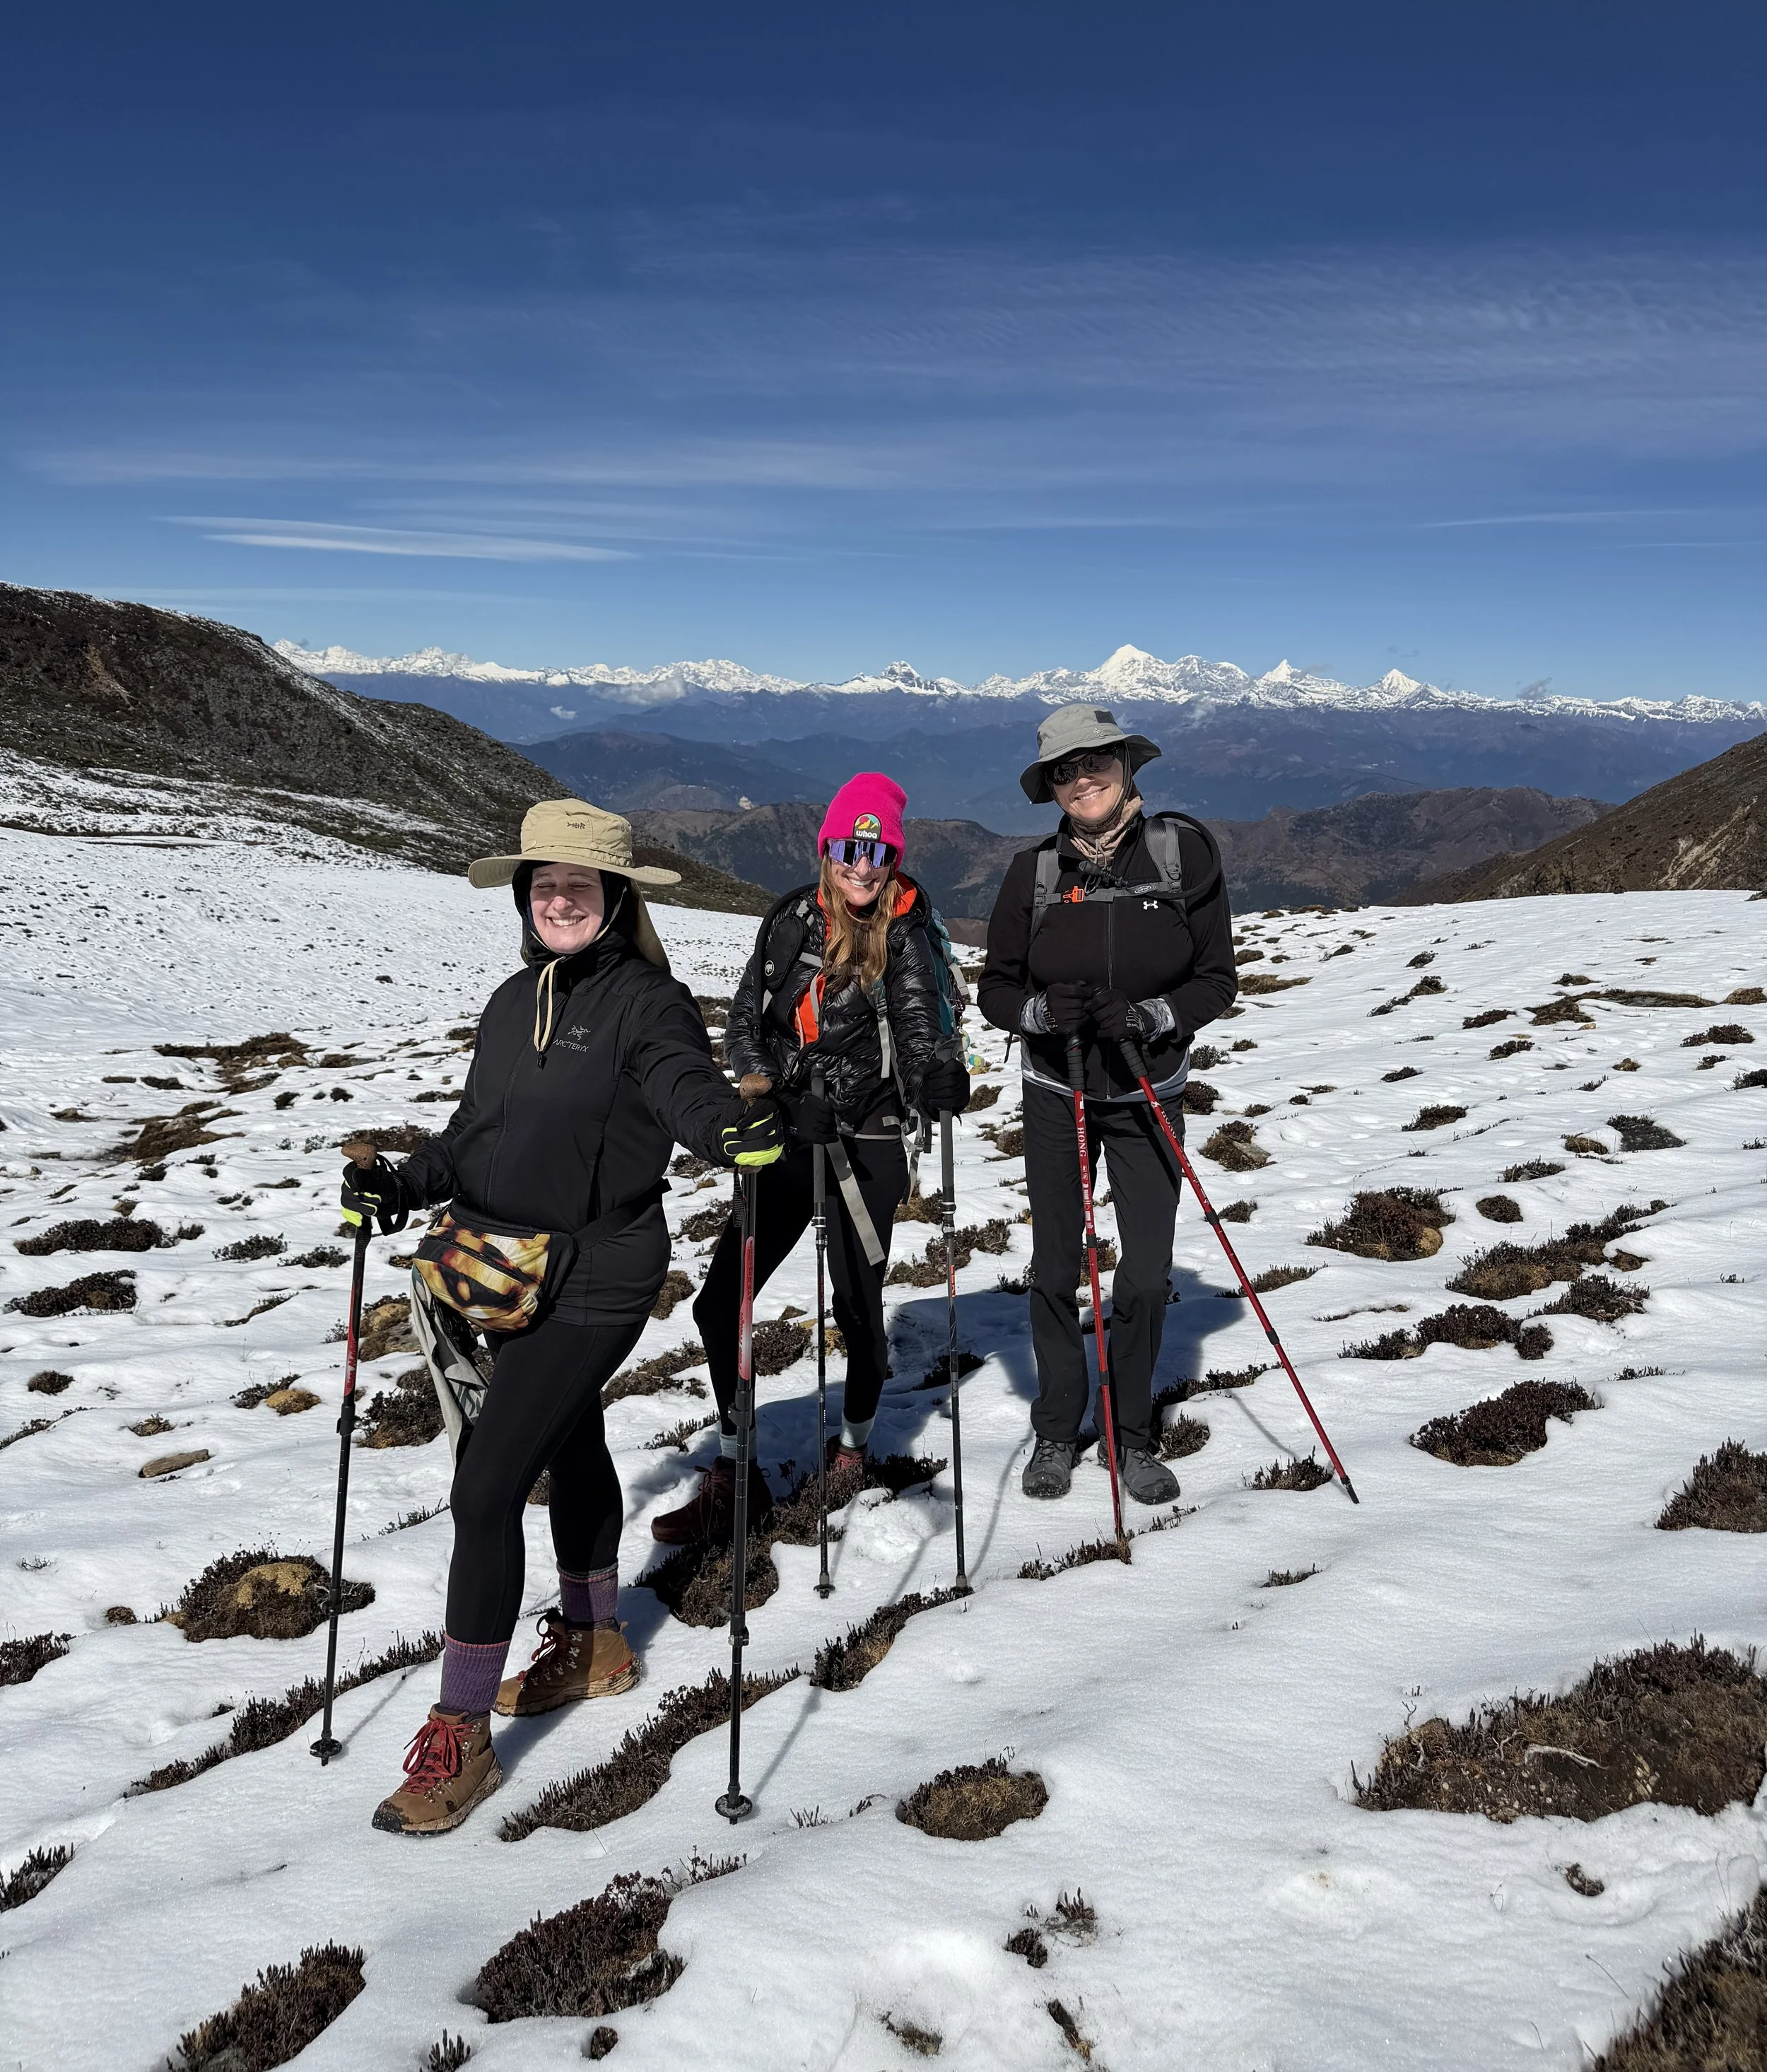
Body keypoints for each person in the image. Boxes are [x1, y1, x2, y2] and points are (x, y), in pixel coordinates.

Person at [340, 799, 785, 1837]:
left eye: (581, 883)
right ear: (523, 895)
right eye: (544, 882)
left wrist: (734, 1132)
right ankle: (597, 1641)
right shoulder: (509, 1002)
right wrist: (401, 1186)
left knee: (486, 1484)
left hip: (596, 1275)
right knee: (572, 1442)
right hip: (501, 1270)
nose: (560, 898)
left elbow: (688, 1092)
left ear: (618, 896)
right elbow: (470, 1140)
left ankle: (460, 1735)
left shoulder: (648, 1002)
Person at [649, 773, 970, 1545]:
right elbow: (747, 1020)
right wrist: (766, 1085)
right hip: (788, 1133)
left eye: (876, 850)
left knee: (860, 1311)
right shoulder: (791, 917)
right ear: (824, 846)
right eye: (845, 847)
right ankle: (733, 1469)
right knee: (717, 1301)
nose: (860, 865)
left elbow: (920, 1026)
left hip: (868, 1140)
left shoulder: (906, 931)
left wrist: (936, 1077)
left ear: (893, 854)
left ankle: (853, 1448)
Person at [978, 704, 1236, 1505]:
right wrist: (1038, 1014)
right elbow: (995, 985)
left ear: (1127, 767)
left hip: (1146, 1092)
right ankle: (1059, 1426)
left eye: (1097, 761)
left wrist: (1155, 1017)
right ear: (1050, 786)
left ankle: (1129, 1434)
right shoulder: (1037, 871)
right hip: (1059, 1094)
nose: (1082, 777)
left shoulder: (1181, 851)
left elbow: (1216, 976)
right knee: (1056, 1266)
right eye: (1065, 769)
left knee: (1146, 1272)